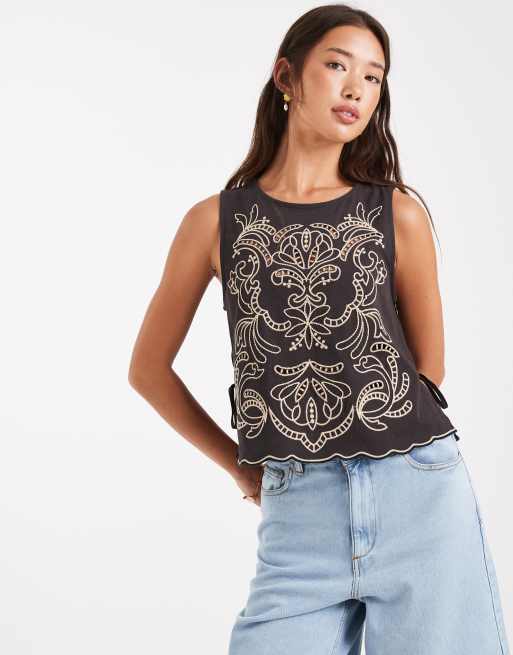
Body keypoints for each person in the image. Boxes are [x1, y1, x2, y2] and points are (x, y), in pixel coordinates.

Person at [128, 4, 510, 654]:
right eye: (337, 65)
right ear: (286, 76)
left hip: (419, 497)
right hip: (297, 511)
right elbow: (147, 370)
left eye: (373, 76)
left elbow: (429, 368)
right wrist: (239, 465)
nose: (356, 87)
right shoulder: (213, 223)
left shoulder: (397, 213)